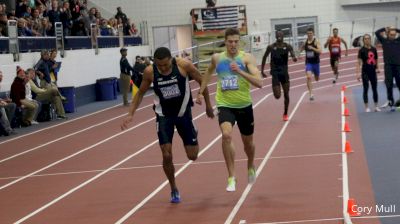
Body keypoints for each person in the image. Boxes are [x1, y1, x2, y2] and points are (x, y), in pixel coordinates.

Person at [121, 47, 214, 203]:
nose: (163, 68)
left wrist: (209, 106)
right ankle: (173, 188)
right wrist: (131, 113)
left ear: (171, 59)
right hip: (163, 116)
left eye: (165, 65)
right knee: (166, 153)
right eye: (159, 65)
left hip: (183, 114)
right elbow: (140, 93)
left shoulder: (184, 65)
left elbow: (202, 80)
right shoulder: (150, 72)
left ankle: (193, 129)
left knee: (193, 156)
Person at [196, 28, 263, 192]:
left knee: (249, 145)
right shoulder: (217, 58)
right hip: (225, 105)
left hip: (244, 105)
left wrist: (240, 71)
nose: (233, 44)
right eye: (230, 41)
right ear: (225, 42)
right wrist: (200, 92)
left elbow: (259, 82)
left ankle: (250, 164)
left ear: (239, 42)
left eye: (236, 41)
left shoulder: (247, 58)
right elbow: (207, 72)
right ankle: (231, 176)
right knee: (226, 135)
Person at [261, 30, 297, 121]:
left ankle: (285, 113)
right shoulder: (271, 47)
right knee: (277, 96)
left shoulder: (287, 46)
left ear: (283, 36)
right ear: (276, 36)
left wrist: (294, 58)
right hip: (275, 73)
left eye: (281, 34)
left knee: (286, 94)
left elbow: (293, 55)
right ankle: (276, 88)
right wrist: (262, 70)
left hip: (284, 73)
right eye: (277, 34)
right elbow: (264, 57)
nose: (279, 35)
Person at [375, 26, 400, 111]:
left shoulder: (398, 41)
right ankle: (391, 103)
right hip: (388, 66)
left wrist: (395, 29)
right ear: (388, 34)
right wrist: (385, 28)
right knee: (389, 85)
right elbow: (377, 33)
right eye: (391, 34)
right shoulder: (384, 41)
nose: (393, 36)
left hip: (398, 66)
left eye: (394, 34)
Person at [356, 34, 380, 112]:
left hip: (373, 72)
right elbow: (358, 62)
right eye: (365, 39)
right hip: (365, 72)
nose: (367, 40)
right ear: (363, 41)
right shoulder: (361, 50)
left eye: (368, 38)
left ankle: (376, 106)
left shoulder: (374, 49)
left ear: (370, 40)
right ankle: (366, 107)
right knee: (366, 89)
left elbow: (376, 59)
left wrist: (378, 68)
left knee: (374, 89)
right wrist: (358, 73)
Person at [299, 27, 322, 101]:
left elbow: (320, 51)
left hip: (316, 63)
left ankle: (316, 74)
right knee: (308, 77)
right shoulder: (305, 42)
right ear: (307, 34)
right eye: (308, 33)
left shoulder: (316, 42)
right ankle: (311, 94)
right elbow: (301, 49)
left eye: (311, 33)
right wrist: (299, 54)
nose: (309, 35)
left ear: (313, 33)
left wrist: (313, 48)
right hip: (309, 63)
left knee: (317, 79)